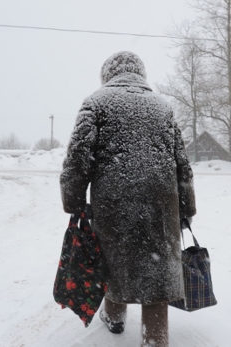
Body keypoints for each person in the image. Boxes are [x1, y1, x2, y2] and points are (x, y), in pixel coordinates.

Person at [60, 51, 196, 347]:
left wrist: (73, 202)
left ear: (107, 74)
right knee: (155, 276)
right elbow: (182, 166)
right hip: (161, 207)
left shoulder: (95, 103)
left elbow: (77, 161)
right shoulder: (163, 108)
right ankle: (155, 341)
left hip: (113, 206)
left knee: (114, 264)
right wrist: (187, 208)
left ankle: (115, 318)